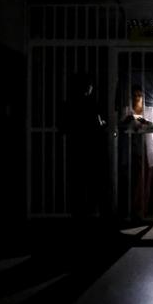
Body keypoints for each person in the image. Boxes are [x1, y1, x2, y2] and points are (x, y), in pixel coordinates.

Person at [61, 73, 106, 219]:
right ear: (89, 87)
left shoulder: (70, 103)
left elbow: (64, 127)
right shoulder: (92, 104)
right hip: (90, 148)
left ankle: (77, 212)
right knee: (91, 180)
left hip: (75, 147)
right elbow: (98, 125)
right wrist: (102, 125)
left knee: (77, 182)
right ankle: (91, 211)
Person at [120, 85, 153, 220]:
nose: (137, 97)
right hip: (133, 150)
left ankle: (143, 210)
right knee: (134, 180)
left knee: (146, 180)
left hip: (147, 149)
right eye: (135, 95)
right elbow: (121, 127)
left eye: (139, 95)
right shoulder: (127, 110)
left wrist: (143, 121)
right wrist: (128, 120)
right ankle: (132, 209)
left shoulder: (150, 110)